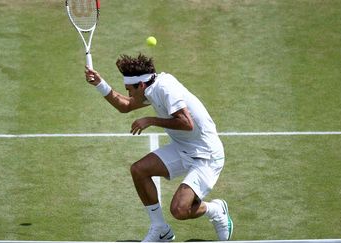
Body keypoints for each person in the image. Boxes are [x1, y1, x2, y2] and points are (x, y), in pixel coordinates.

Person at [84, 53, 233, 242]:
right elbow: (125, 105)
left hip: (207, 155)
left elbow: (187, 123)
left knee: (179, 210)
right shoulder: (149, 87)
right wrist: (99, 83)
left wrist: (150, 120)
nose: (129, 93)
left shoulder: (165, 88)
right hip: (183, 147)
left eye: (130, 89)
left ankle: (216, 210)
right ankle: (160, 229)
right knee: (139, 170)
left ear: (142, 85)